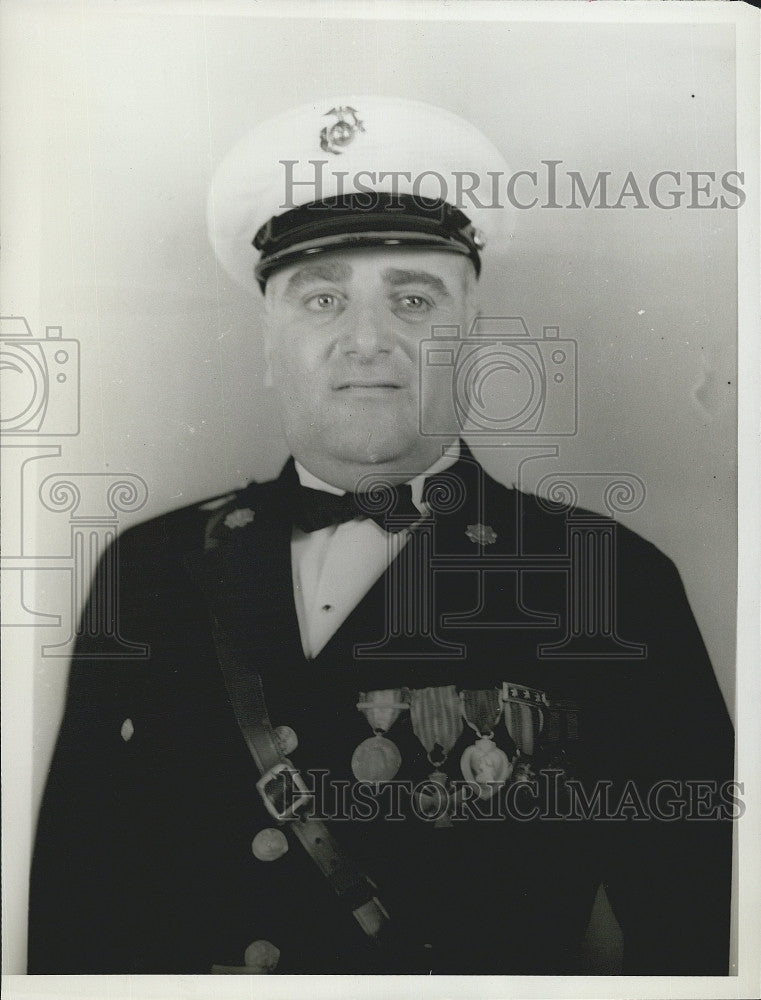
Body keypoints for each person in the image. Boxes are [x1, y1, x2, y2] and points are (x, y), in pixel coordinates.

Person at [28, 96, 734, 976]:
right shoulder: (148, 567)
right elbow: (67, 924)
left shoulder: (610, 582)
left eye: (412, 297)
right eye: (321, 299)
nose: (367, 340)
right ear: (267, 341)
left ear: (470, 332)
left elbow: (702, 942)